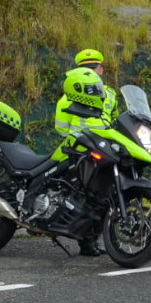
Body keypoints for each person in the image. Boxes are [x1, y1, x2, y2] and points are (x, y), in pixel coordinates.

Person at [45, 67, 109, 255]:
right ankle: (87, 242)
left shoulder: (104, 94)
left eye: (95, 67)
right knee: (86, 195)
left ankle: (89, 243)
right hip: (78, 151)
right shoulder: (100, 94)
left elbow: (61, 127)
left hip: (97, 149)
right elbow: (62, 128)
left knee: (99, 198)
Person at [53, 48, 118, 129]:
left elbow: (116, 119)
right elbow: (62, 128)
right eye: (85, 69)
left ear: (102, 70)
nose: (89, 72)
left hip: (107, 140)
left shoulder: (110, 92)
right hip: (82, 140)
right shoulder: (71, 95)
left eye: (93, 68)